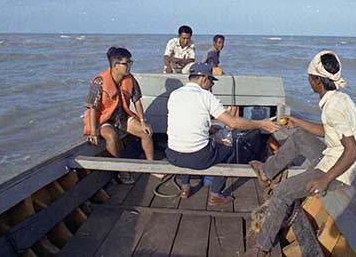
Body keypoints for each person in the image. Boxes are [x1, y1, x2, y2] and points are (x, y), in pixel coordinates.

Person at [245, 51, 356, 256]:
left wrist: (325, 179)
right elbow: (327, 131)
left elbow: (352, 151)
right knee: (300, 136)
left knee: (283, 192)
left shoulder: (334, 106)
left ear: (317, 80)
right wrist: (297, 122)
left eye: (309, 77)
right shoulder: (337, 98)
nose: (308, 81)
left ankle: (262, 249)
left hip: (339, 170)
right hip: (333, 156)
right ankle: (266, 171)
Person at [165, 62, 280, 206]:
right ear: (204, 79)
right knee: (228, 150)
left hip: (172, 155)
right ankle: (215, 195)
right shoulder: (206, 96)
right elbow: (233, 123)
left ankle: (185, 187)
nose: (211, 86)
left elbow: (186, 122)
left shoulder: (175, 94)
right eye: (211, 81)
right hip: (198, 158)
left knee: (187, 143)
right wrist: (261, 124)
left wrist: (208, 130)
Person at [83, 47, 155, 183]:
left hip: (122, 117)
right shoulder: (99, 81)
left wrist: (143, 121)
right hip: (103, 119)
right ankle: (121, 171)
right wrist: (93, 131)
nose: (129, 66)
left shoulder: (130, 79)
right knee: (111, 136)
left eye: (130, 62)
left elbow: (137, 101)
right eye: (126, 63)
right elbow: (92, 108)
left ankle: (151, 166)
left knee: (146, 132)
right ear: (115, 65)